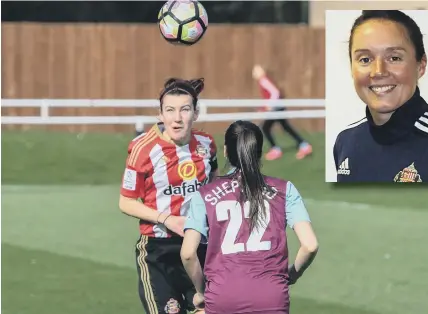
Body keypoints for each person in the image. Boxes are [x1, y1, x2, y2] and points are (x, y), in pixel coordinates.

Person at [180, 120, 319, 314]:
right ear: (259, 152)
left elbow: (187, 253)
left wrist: (202, 292)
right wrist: (292, 275)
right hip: (271, 297)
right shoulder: (284, 190)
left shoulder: (204, 195)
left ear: (226, 151)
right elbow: (310, 245)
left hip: (222, 297)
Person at [118, 77, 218, 314]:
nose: (177, 118)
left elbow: (214, 186)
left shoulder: (207, 144)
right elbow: (126, 201)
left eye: (185, 109)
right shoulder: (143, 149)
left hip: (199, 248)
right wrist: (167, 219)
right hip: (158, 252)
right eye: (170, 110)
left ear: (195, 113)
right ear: (160, 115)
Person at [333, 10, 428, 183]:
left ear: (420, 66)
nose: (378, 72)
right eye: (364, 59)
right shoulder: (345, 141)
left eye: (394, 57)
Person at [252, 65, 313, 161]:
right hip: (278, 107)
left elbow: (275, 92)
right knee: (285, 127)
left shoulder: (264, 80)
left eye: (256, 71)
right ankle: (304, 145)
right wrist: (264, 108)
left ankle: (276, 150)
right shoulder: (264, 80)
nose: (254, 74)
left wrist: (269, 106)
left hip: (276, 108)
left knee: (266, 128)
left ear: (262, 72)